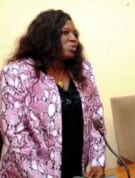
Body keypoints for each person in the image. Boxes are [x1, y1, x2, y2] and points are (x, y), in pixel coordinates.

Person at [0, 9, 106, 178]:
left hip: (75, 171)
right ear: (45, 36)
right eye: (65, 33)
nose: (74, 39)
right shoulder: (16, 73)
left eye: (75, 34)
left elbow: (96, 120)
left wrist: (97, 162)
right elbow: (15, 135)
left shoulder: (83, 71)